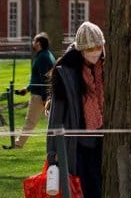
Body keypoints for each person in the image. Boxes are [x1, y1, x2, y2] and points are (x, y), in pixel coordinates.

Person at [46, 21, 106, 198]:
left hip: (102, 142)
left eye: (98, 47)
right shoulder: (66, 73)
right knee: (83, 189)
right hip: (77, 145)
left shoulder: (105, 67)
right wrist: (53, 152)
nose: (95, 52)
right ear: (81, 50)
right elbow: (56, 116)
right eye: (89, 49)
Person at [12, 32, 55, 149]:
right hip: (42, 95)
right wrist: (27, 89)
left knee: (30, 121)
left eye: (34, 41)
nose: (32, 43)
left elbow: (45, 79)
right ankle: (58, 143)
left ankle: (17, 144)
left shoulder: (43, 57)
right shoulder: (45, 55)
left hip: (40, 97)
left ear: (39, 43)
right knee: (51, 122)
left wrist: (45, 98)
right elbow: (37, 78)